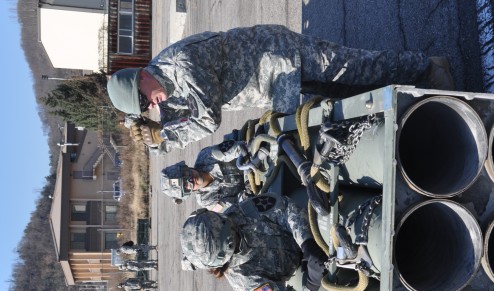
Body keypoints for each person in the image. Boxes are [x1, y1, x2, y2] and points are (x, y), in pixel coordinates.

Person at [107, 24, 453, 154]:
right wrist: (160, 137)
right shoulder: (164, 85)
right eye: (146, 108)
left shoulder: (181, 63)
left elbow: (207, 119)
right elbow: (181, 113)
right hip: (273, 84)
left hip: (278, 54)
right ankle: (406, 94)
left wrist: (168, 137)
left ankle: (428, 67)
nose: (152, 105)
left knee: (357, 67)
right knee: (341, 95)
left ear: (141, 76)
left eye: (145, 99)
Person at [180, 193, 328, 291]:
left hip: (305, 238)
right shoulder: (244, 279)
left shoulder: (238, 213)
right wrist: (311, 286)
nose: (233, 224)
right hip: (299, 268)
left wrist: (306, 242)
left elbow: (284, 208)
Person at [160, 139, 251, 210]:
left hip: (252, 158)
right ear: (188, 192)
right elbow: (235, 204)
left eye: (185, 174)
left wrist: (248, 167)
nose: (190, 179)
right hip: (255, 188)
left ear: (186, 167)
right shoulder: (206, 201)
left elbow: (239, 149)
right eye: (185, 185)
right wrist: (248, 191)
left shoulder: (205, 156)